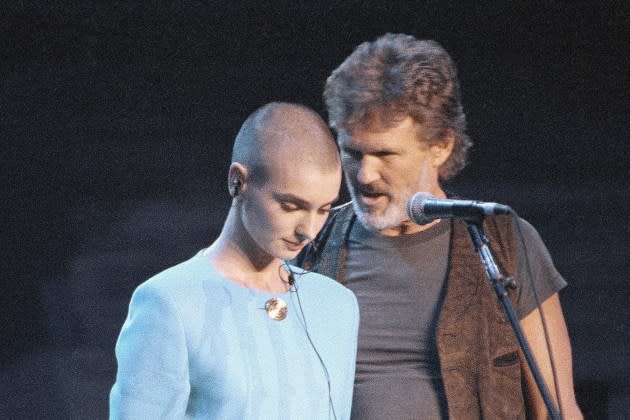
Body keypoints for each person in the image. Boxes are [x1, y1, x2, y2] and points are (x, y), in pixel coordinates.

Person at [295, 34, 583, 419]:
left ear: (441, 146)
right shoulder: (313, 242)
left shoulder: (504, 243)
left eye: (385, 154)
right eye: (352, 151)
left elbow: (558, 410)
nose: (365, 174)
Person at [109, 102, 359, 419]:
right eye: (290, 205)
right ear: (237, 181)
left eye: (323, 210)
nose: (308, 230)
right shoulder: (170, 302)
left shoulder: (336, 304)